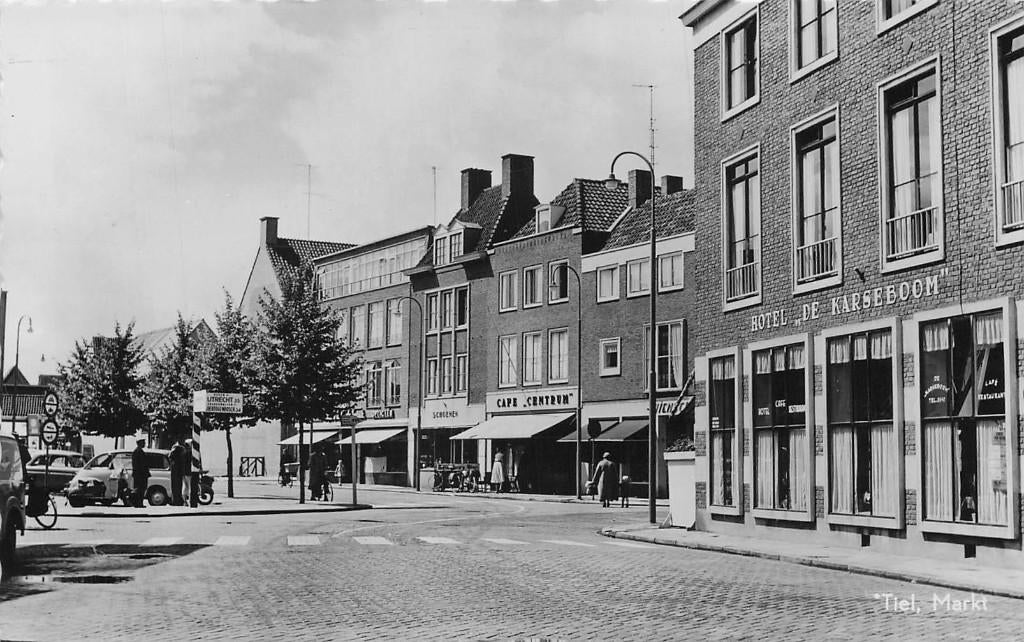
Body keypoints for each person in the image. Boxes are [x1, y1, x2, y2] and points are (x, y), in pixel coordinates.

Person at [131, 436, 151, 508]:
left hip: (141, 474)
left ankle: (139, 502)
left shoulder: (139, 451)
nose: (144, 444)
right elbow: (138, 464)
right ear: (139, 443)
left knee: (141, 489)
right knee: (140, 489)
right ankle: (138, 503)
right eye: (143, 442)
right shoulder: (138, 451)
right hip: (140, 474)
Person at [168, 437, 187, 506]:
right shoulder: (177, 447)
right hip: (176, 469)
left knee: (178, 485)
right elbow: (170, 455)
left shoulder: (181, 447)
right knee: (176, 486)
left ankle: (177, 500)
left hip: (178, 469)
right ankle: (176, 501)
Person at [181, 439, 194, 505]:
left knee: (185, 486)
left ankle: (184, 501)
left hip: (183, 472)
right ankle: (191, 500)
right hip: (188, 471)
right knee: (190, 486)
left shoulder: (183, 452)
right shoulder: (190, 453)